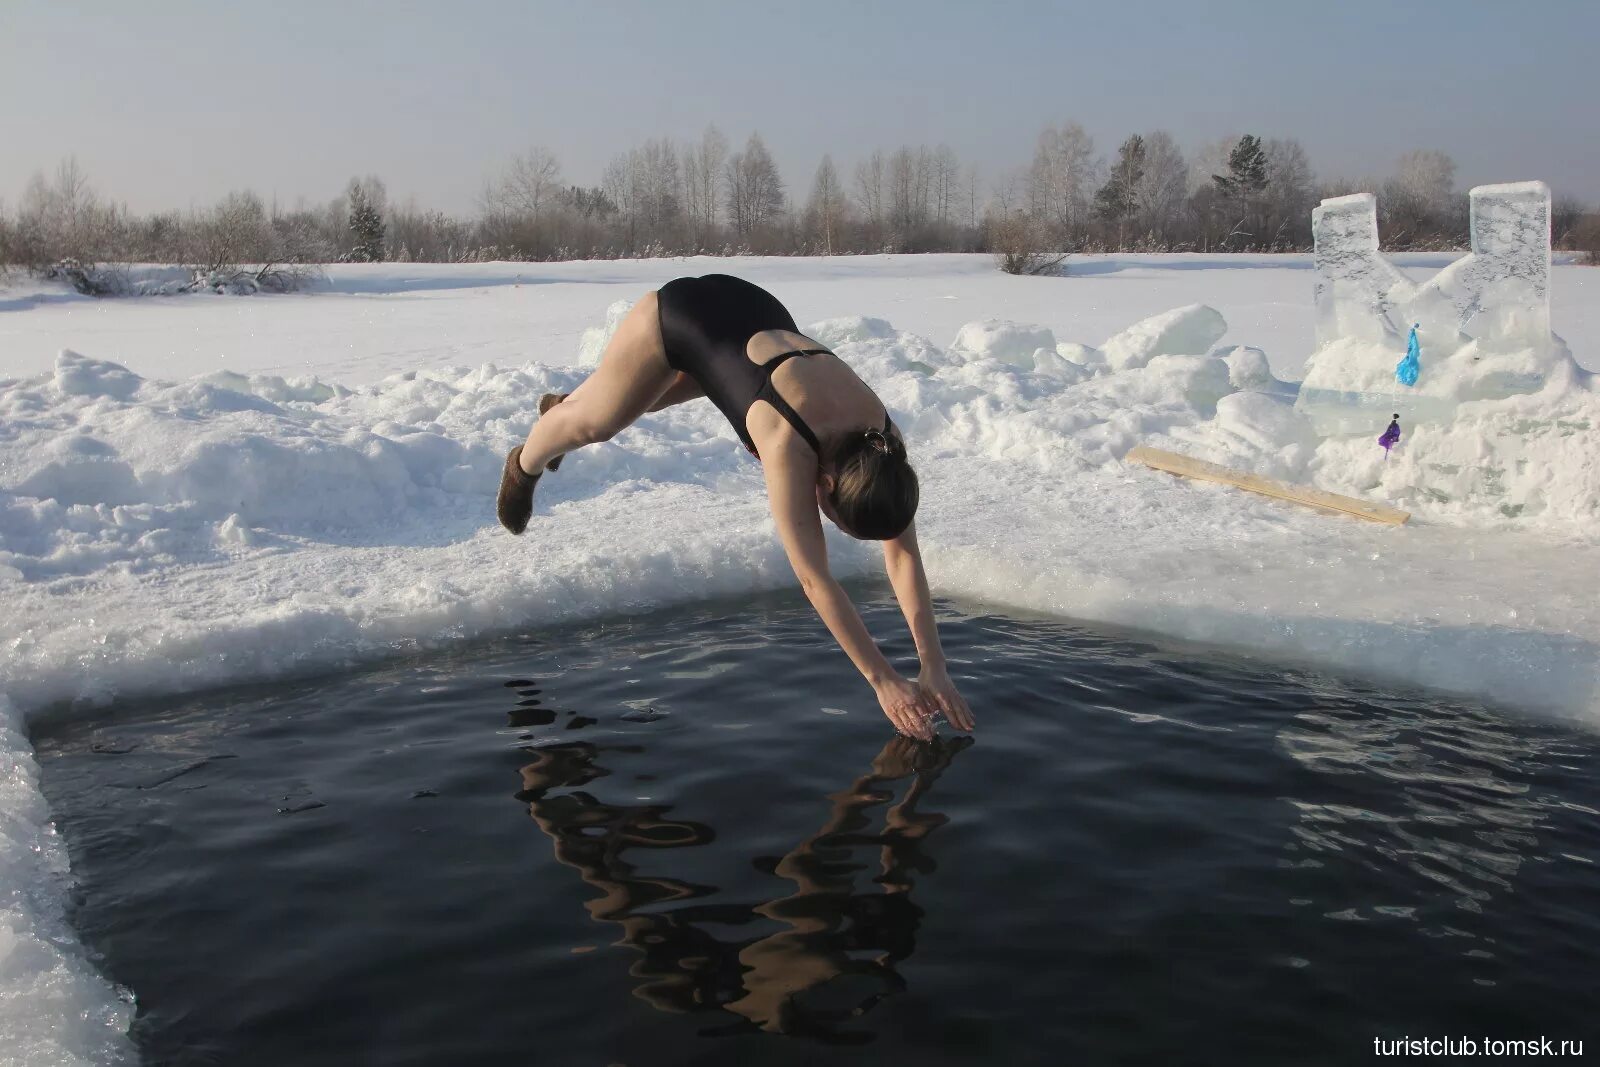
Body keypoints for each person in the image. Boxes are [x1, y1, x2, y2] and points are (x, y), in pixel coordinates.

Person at [497, 274, 973, 740]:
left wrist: (934, 664)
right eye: (836, 520)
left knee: (649, 399)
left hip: (753, 311)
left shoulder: (883, 449)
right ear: (824, 483)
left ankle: (570, 408)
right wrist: (883, 681)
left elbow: (903, 553)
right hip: (678, 316)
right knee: (596, 425)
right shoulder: (790, 443)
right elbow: (814, 578)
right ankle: (529, 458)